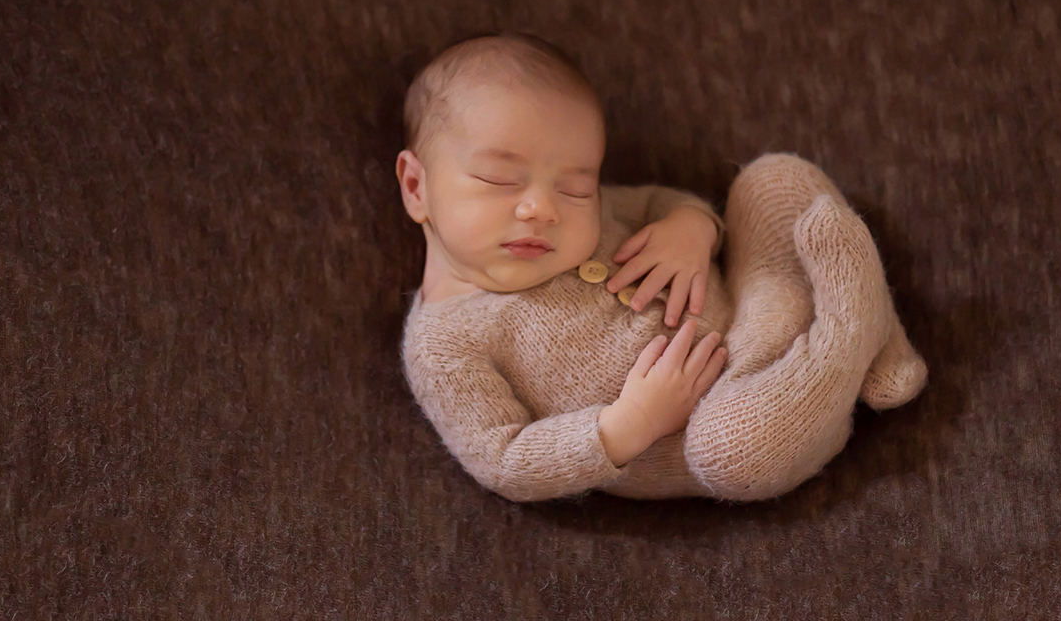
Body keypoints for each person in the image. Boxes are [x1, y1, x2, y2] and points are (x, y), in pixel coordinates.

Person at [396, 32, 927, 503]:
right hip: (728, 411)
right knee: (733, 449)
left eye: (575, 186)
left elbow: (661, 203)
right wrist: (628, 425)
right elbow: (504, 460)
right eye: (500, 181)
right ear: (417, 187)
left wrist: (692, 228)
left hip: (756, 301)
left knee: (776, 179)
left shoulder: (596, 212)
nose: (545, 209)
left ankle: (870, 333)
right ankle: (853, 329)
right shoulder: (442, 346)